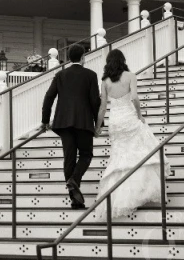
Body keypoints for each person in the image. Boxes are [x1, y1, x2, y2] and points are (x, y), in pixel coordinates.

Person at [94, 48, 169, 219]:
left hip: (115, 121)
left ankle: (118, 197)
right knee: (138, 155)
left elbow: (103, 106)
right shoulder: (130, 76)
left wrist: (98, 126)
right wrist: (140, 116)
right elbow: (134, 98)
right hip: (129, 118)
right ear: (123, 60)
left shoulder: (105, 80)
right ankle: (139, 192)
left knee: (120, 158)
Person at [41, 43, 100, 209]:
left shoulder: (61, 75)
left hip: (63, 123)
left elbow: (49, 97)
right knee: (86, 154)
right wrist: (98, 123)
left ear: (68, 58)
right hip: (83, 122)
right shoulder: (91, 75)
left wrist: (45, 120)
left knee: (69, 158)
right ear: (82, 58)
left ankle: (74, 198)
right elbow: (95, 101)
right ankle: (74, 180)